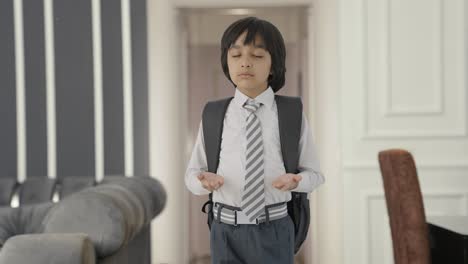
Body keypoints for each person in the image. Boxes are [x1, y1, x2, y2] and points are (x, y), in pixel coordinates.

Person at [185, 16, 324, 264]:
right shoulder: (214, 114)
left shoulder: (291, 113)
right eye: (236, 56)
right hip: (224, 231)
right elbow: (191, 177)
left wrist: (297, 181)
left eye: (257, 56)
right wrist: (202, 182)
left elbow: (316, 175)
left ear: (273, 64)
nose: (245, 63)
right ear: (227, 63)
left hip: (275, 229)